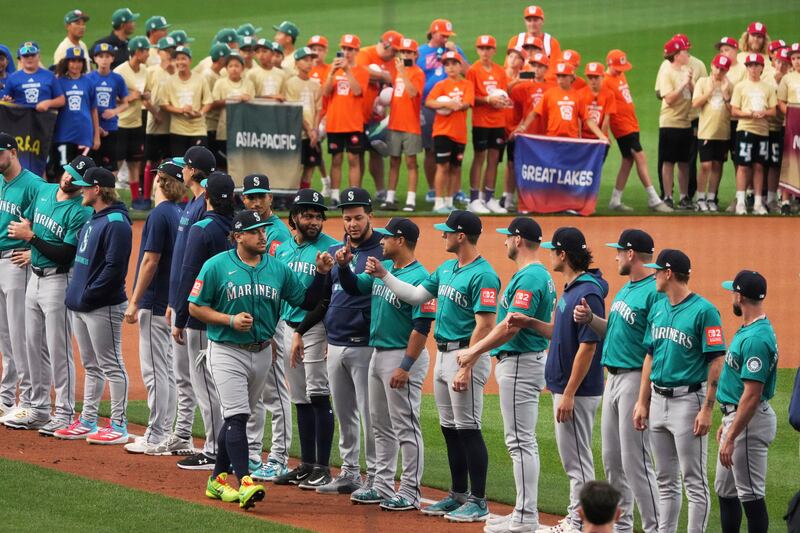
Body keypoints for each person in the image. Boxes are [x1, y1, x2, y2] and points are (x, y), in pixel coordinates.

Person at [190, 208, 331, 510]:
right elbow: (195, 307)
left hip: (263, 352)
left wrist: (320, 274)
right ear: (238, 236)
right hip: (226, 350)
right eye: (255, 232)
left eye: (264, 230)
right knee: (239, 416)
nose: (262, 236)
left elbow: (306, 301)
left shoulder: (277, 268)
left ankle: (216, 480)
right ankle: (245, 481)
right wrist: (227, 320)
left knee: (235, 417)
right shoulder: (216, 266)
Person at [367, 210, 499, 523]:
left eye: (447, 231)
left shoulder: (484, 274)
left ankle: (478, 501)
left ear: (461, 235)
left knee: (468, 428)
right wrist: (384, 275)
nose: (442, 235)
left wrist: (468, 362)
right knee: (450, 429)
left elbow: (486, 323)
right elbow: (415, 296)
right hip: (443, 355)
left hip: (466, 355)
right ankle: (457, 495)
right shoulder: (447, 269)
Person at [456, 217, 555, 532]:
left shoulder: (530, 278)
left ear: (519, 240)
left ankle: (526, 517)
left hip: (521, 361)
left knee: (520, 442)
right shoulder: (534, 275)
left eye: (507, 237)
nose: (504, 242)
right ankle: (522, 512)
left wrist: (475, 351)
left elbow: (511, 325)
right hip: (524, 360)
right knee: (521, 441)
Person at [511, 227, 608, 533]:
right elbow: (560, 332)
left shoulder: (587, 291)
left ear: (563, 254)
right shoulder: (572, 288)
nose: (550, 254)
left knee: (577, 461)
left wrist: (568, 393)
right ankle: (575, 517)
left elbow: (588, 345)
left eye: (553, 250)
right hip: (567, 388)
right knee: (574, 460)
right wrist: (530, 322)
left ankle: (579, 522)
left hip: (576, 391)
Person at [333, 217, 434, 510]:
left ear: (401, 241)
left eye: (387, 238)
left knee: (406, 426)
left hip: (402, 355)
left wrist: (406, 365)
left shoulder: (421, 278)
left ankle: (411, 491)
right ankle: (382, 484)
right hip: (377, 353)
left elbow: (421, 327)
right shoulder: (384, 268)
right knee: (379, 424)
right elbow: (354, 288)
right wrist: (343, 267)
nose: (381, 241)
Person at [572, 229, 662, 533]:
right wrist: (590, 320)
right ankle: (620, 527)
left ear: (632, 254)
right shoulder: (626, 289)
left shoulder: (653, 293)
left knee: (636, 463)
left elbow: (655, 346)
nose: (616, 256)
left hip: (635, 378)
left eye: (619, 252)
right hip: (613, 378)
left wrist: (644, 397)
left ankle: (655, 528)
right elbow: (615, 330)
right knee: (612, 460)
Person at [635, 249, 726, 533]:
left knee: (694, 481)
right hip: (658, 399)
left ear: (669, 273)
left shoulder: (705, 311)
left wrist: (708, 409)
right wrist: (642, 401)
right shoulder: (659, 306)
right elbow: (650, 354)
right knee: (665, 480)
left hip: (689, 402)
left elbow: (717, 360)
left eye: (657, 270)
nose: (654, 275)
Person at [2, 156, 91, 433]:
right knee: (34, 345)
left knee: (58, 349)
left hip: (59, 280)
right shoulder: (44, 190)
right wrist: (31, 244)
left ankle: (64, 413)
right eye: (68, 173)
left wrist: (32, 241)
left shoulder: (81, 211)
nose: (68, 179)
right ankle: (38, 408)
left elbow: (66, 253)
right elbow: (25, 220)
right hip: (35, 280)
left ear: (84, 185)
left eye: (75, 178)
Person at [307, 188, 383, 495]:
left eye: (358, 218)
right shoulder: (338, 252)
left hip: (364, 343)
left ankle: (376, 475)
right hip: (335, 342)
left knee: (369, 413)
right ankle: (350, 471)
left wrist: (342, 266)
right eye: (347, 218)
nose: (352, 224)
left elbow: (361, 291)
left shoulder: (380, 251)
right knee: (344, 412)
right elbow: (328, 296)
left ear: (370, 216)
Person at [57, 167, 132, 444]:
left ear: (98, 189)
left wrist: (89, 294)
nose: (81, 190)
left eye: (85, 186)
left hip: (103, 306)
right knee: (91, 365)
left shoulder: (116, 223)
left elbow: (114, 268)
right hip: (82, 303)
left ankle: (118, 424)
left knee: (112, 364)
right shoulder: (94, 219)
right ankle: (88, 420)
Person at [271, 189, 339, 488]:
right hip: (288, 328)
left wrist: (320, 335)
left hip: (316, 329)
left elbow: (327, 299)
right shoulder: (282, 249)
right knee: (299, 397)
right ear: (294, 218)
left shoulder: (331, 249)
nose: (314, 221)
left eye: (318, 216)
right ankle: (306, 463)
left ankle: (323, 466)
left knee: (318, 394)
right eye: (307, 215)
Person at [169, 170, 233, 469]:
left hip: (202, 319)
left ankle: (213, 449)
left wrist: (180, 317)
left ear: (206, 196)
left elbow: (188, 276)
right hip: (232, 315)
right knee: (226, 386)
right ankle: (232, 447)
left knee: (206, 386)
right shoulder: (240, 227)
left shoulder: (202, 228)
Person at [156, 146, 215, 464]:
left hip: (196, 308)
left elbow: (198, 264)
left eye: (185, 166)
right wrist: (173, 302)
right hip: (182, 303)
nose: (182, 171)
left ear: (192, 171)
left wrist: (185, 304)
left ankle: (214, 447)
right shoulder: (191, 203)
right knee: (186, 375)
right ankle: (182, 434)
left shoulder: (205, 205)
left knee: (204, 379)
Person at [122, 160, 185, 453]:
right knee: (168, 372)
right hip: (169, 303)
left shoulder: (160, 215)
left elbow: (150, 261)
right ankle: (165, 430)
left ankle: (157, 434)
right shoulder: (180, 212)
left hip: (156, 302)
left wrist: (134, 302)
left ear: (161, 180)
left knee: (155, 373)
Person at [239, 174, 294, 479]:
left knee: (274, 392)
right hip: (248, 319)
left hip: (272, 320)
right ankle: (252, 453)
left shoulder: (280, 234)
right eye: (251, 197)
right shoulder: (244, 227)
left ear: (271, 198)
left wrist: (277, 323)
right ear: (243, 199)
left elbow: (283, 281)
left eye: (262, 196)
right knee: (254, 392)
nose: (257, 202)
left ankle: (280, 457)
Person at [716, 270, 777, 533]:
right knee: (725, 491)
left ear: (739, 296)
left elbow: (752, 395)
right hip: (736, 419)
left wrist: (732, 435)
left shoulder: (755, 340)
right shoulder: (751, 329)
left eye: (733, 291)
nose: (731, 295)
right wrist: (726, 422)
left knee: (751, 498)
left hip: (748, 425)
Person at [0, 132, 45, 422]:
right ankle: (5, 399)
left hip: (16, 263)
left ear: (13, 152)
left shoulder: (33, 185)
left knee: (21, 336)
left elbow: (47, 221)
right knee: (5, 338)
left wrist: (34, 253)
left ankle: (29, 400)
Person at [603, 50, 672, 212]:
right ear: (609, 64)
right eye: (617, 67)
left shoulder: (620, 75)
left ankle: (615, 199)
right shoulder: (605, 81)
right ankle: (653, 198)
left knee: (628, 160)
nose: (620, 70)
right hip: (621, 126)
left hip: (632, 123)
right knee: (639, 156)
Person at [418, 19, 468, 206]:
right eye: (443, 35)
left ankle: (455, 192)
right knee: (431, 150)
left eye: (448, 35)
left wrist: (457, 52)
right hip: (428, 106)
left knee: (456, 152)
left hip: (455, 109)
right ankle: (433, 190)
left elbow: (468, 72)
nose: (446, 38)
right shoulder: (421, 52)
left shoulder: (454, 51)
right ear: (433, 33)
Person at [356, 30, 404, 202]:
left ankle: (381, 191)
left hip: (378, 117)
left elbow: (399, 81)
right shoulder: (365, 53)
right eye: (394, 50)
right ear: (385, 44)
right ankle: (358, 193)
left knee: (376, 153)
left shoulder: (394, 61)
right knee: (358, 154)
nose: (395, 54)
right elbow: (361, 71)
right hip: (359, 115)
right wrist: (384, 75)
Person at [322, 34, 369, 204]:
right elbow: (325, 92)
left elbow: (357, 91)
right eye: (344, 48)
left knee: (353, 158)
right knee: (336, 159)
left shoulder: (362, 71)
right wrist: (331, 73)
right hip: (335, 122)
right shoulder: (332, 69)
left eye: (350, 49)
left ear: (356, 51)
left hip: (354, 123)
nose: (346, 52)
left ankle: (353, 195)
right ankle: (335, 195)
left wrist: (348, 70)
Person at [426, 51, 474, 214]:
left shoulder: (467, 85)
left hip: (460, 134)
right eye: (447, 64)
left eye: (454, 63)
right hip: (442, 132)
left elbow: (467, 103)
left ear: (461, 66)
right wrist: (445, 105)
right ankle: (438, 203)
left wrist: (456, 105)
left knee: (455, 168)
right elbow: (429, 102)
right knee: (442, 166)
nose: (451, 67)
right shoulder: (441, 86)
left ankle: (449, 201)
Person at [467, 35, 510, 215]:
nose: (485, 52)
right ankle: (474, 199)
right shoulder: (473, 70)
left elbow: (504, 94)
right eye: (481, 48)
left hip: (498, 121)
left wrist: (501, 101)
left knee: (493, 160)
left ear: (494, 50)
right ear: (478, 50)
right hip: (481, 121)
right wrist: (488, 99)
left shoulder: (500, 71)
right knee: (479, 158)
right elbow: (470, 97)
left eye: (488, 48)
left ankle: (489, 198)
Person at [731, 53, 777, 215]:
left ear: (762, 68)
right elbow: (734, 110)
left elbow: (773, 109)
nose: (753, 69)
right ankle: (741, 202)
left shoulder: (768, 88)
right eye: (750, 66)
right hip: (745, 129)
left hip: (762, 131)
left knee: (759, 166)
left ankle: (758, 203)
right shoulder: (740, 86)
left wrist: (764, 113)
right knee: (743, 166)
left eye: (756, 65)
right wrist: (749, 114)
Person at [382, 38, 425, 212]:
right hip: (395, 123)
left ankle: (411, 200)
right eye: (403, 52)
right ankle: (390, 198)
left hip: (411, 125)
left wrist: (403, 73)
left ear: (416, 54)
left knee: (411, 162)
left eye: (409, 52)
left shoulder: (417, 73)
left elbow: (414, 92)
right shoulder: (396, 71)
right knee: (393, 161)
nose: (406, 55)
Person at [515, 62, 607, 141]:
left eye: (564, 76)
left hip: (571, 139)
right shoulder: (549, 94)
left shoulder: (578, 96)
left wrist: (601, 136)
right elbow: (534, 113)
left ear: (571, 77)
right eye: (558, 76)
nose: (560, 79)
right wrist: (523, 127)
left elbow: (588, 119)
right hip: (553, 138)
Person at [49, 47, 100, 182]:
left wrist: (96, 136)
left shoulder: (89, 82)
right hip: (63, 135)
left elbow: (93, 110)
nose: (76, 65)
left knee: (83, 174)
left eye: (79, 61)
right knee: (63, 171)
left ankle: (80, 202)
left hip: (84, 135)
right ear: (67, 62)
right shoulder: (59, 82)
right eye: (72, 61)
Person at [692, 54, 733, 212]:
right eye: (717, 67)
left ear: (727, 70)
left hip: (723, 133)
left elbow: (733, 111)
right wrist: (708, 93)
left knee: (717, 165)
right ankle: (700, 198)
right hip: (706, 132)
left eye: (723, 69)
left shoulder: (729, 85)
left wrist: (726, 95)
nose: (719, 71)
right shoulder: (702, 82)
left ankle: (711, 198)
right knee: (705, 165)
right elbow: (695, 103)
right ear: (711, 65)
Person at [658, 38, 695, 209]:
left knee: (684, 162)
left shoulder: (688, 70)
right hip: (670, 122)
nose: (688, 53)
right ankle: (667, 196)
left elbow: (694, 95)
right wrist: (683, 85)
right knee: (668, 161)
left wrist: (692, 83)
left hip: (686, 122)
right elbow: (669, 99)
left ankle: (684, 196)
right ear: (677, 55)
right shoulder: (667, 72)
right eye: (685, 51)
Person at [113, 36, 150, 201]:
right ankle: (109, 197)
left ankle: (135, 199)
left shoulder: (145, 71)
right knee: (117, 163)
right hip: (121, 123)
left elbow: (144, 91)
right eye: (146, 50)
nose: (148, 54)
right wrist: (130, 97)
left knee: (135, 163)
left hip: (137, 122)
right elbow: (111, 98)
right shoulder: (120, 72)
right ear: (137, 52)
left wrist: (145, 95)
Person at [142, 36, 177, 205]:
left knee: (169, 161)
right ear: (158, 52)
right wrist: (154, 113)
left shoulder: (177, 70)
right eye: (167, 50)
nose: (170, 53)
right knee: (153, 161)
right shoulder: (152, 71)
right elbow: (145, 96)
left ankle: (168, 194)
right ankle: (147, 195)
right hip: (155, 123)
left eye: (172, 50)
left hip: (172, 123)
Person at [163, 46, 213, 156]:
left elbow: (208, 102)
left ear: (190, 61)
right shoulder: (170, 80)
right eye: (177, 59)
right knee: (180, 165)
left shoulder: (200, 79)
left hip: (198, 129)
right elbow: (165, 105)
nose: (180, 62)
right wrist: (181, 110)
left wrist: (199, 113)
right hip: (178, 130)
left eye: (183, 58)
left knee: (199, 165)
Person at [284, 47, 323, 188]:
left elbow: (318, 110)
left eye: (311, 59)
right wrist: (309, 129)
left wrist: (315, 130)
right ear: (297, 63)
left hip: (311, 133)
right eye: (305, 60)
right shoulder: (291, 83)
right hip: (297, 132)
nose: (309, 63)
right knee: (296, 167)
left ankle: (303, 194)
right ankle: (292, 195)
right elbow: (294, 110)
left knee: (310, 166)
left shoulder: (316, 85)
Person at [87, 43, 128, 173]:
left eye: (107, 56)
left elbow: (125, 103)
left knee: (111, 165)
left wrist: (114, 111)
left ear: (112, 59)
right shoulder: (89, 78)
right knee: (92, 164)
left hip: (110, 126)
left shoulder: (117, 79)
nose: (104, 60)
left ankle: (109, 191)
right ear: (95, 59)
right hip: (93, 128)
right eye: (101, 56)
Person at [210, 51, 256, 164]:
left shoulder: (248, 84)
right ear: (226, 68)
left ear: (242, 68)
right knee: (224, 161)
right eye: (230, 66)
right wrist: (231, 100)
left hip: (243, 130)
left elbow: (254, 105)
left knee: (241, 161)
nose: (234, 69)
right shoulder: (220, 83)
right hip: (225, 129)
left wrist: (248, 99)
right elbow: (213, 103)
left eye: (237, 66)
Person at [0, 42, 64, 111]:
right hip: (21, 120)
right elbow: (5, 101)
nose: (29, 58)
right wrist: (6, 101)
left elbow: (61, 100)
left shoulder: (50, 76)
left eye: (33, 55)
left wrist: (49, 103)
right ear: (20, 58)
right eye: (26, 56)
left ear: (39, 57)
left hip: (44, 119)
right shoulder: (13, 78)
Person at [777, 43, 800, 214]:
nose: (796, 61)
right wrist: (791, 115)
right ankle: (785, 201)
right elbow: (781, 101)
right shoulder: (787, 78)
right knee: (790, 160)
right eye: (793, 58)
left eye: (799, 58)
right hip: (792, 124)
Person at [201, 43, 232, 164]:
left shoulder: (217, 74)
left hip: (215, 123)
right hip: (209, 124)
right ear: (221, 59)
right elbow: (208, 102)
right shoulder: (208, 76)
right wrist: (229, 100)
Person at [579, 63, 616, 146]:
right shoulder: (580, 94)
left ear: (603, 77)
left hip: (601, 137)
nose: (593, 81)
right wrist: (579, 138)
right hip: (584, 137)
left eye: (596, 77)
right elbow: (579, 119)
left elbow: (606, 119)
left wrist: (601, 139)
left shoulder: (609, 95)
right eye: (590, 77)